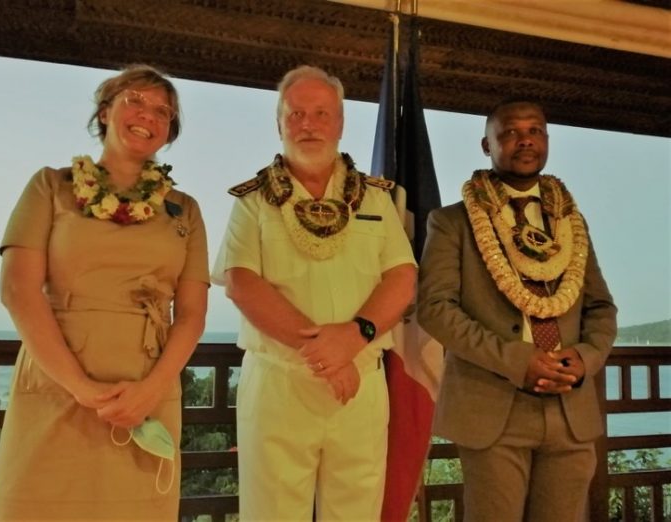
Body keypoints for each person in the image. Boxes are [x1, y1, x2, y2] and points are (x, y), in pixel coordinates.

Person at [0, 64, 209, 520]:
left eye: (162, 111)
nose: (147, 114)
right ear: (106, 112)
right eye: (135, 101)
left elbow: (191, 314)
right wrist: (81, 388)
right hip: (57, 378)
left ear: (169, 133)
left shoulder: (184, 209)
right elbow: (17, 289)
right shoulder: (51, 186)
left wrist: (151, 389)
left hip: (146, 385)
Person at [212, 65, 416, 521]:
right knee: (273, 514)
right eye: (296, 113)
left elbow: (402, 277)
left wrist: (353, 339)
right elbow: (242, 283)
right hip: (280, 381)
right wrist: (326, 353)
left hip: (359, 381)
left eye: (321, 113)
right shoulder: (253, 200)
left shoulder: (377, 200)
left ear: (341, 122)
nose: (308, 124)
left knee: (357, 513)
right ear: (279, 122)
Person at [418, 99, 617, 522]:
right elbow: (435, 309)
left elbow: (600, 308)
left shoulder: (570, 223)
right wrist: (517, 360)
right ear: (486, 145)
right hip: (493, 408)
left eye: (536, 130)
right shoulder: (451, 222)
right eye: (510, 132)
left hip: (569, 409)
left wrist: (583, 359)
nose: (525, 139)